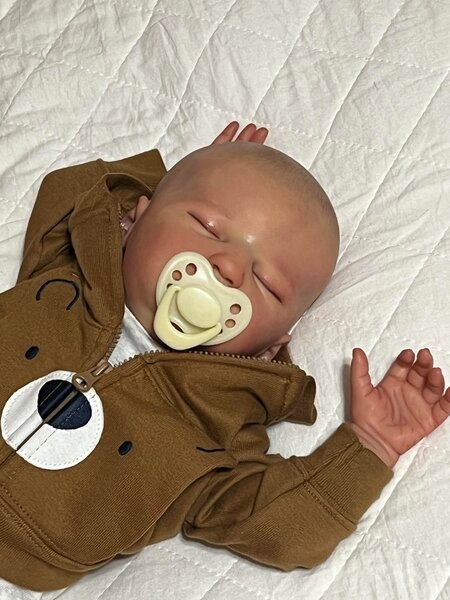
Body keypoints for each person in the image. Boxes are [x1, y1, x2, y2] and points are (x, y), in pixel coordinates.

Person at [0, 122, 448, 592]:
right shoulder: (68, 265)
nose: (229, 267)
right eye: (207, 226)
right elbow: (73, 190)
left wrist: (371, 444)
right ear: (133, 221)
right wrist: (186, 176)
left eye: (269, 284)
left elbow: (279, 527)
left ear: (270, 347)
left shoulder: (219, 432)